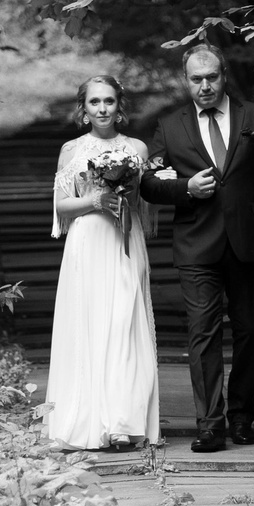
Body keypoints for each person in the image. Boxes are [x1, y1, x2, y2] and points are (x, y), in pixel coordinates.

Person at [140, 45, 254, 452]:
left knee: (248, 332)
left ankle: (242, 418)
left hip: (250, 241)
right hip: (196, 243)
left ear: (224, 75)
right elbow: (149, 183)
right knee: (202, 334)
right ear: (185, 80)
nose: (204, 85)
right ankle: (209, 424)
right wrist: (184, 189)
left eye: (211, 77)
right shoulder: (170, 126)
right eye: (196, 79)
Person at [42, 75, 161, 451]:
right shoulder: (71, 149)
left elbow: (148, 200)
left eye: (109, 101)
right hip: (88, 242)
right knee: (91, 324)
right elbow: (61, 206)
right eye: (94, 102)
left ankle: (124, 419)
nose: (102, 109)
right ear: (84, 109)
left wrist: (129, 192)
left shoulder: (137, 148)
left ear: (119, 106)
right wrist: (96, 199)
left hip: (125, 239)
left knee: (126, 322)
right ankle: (88, 419)